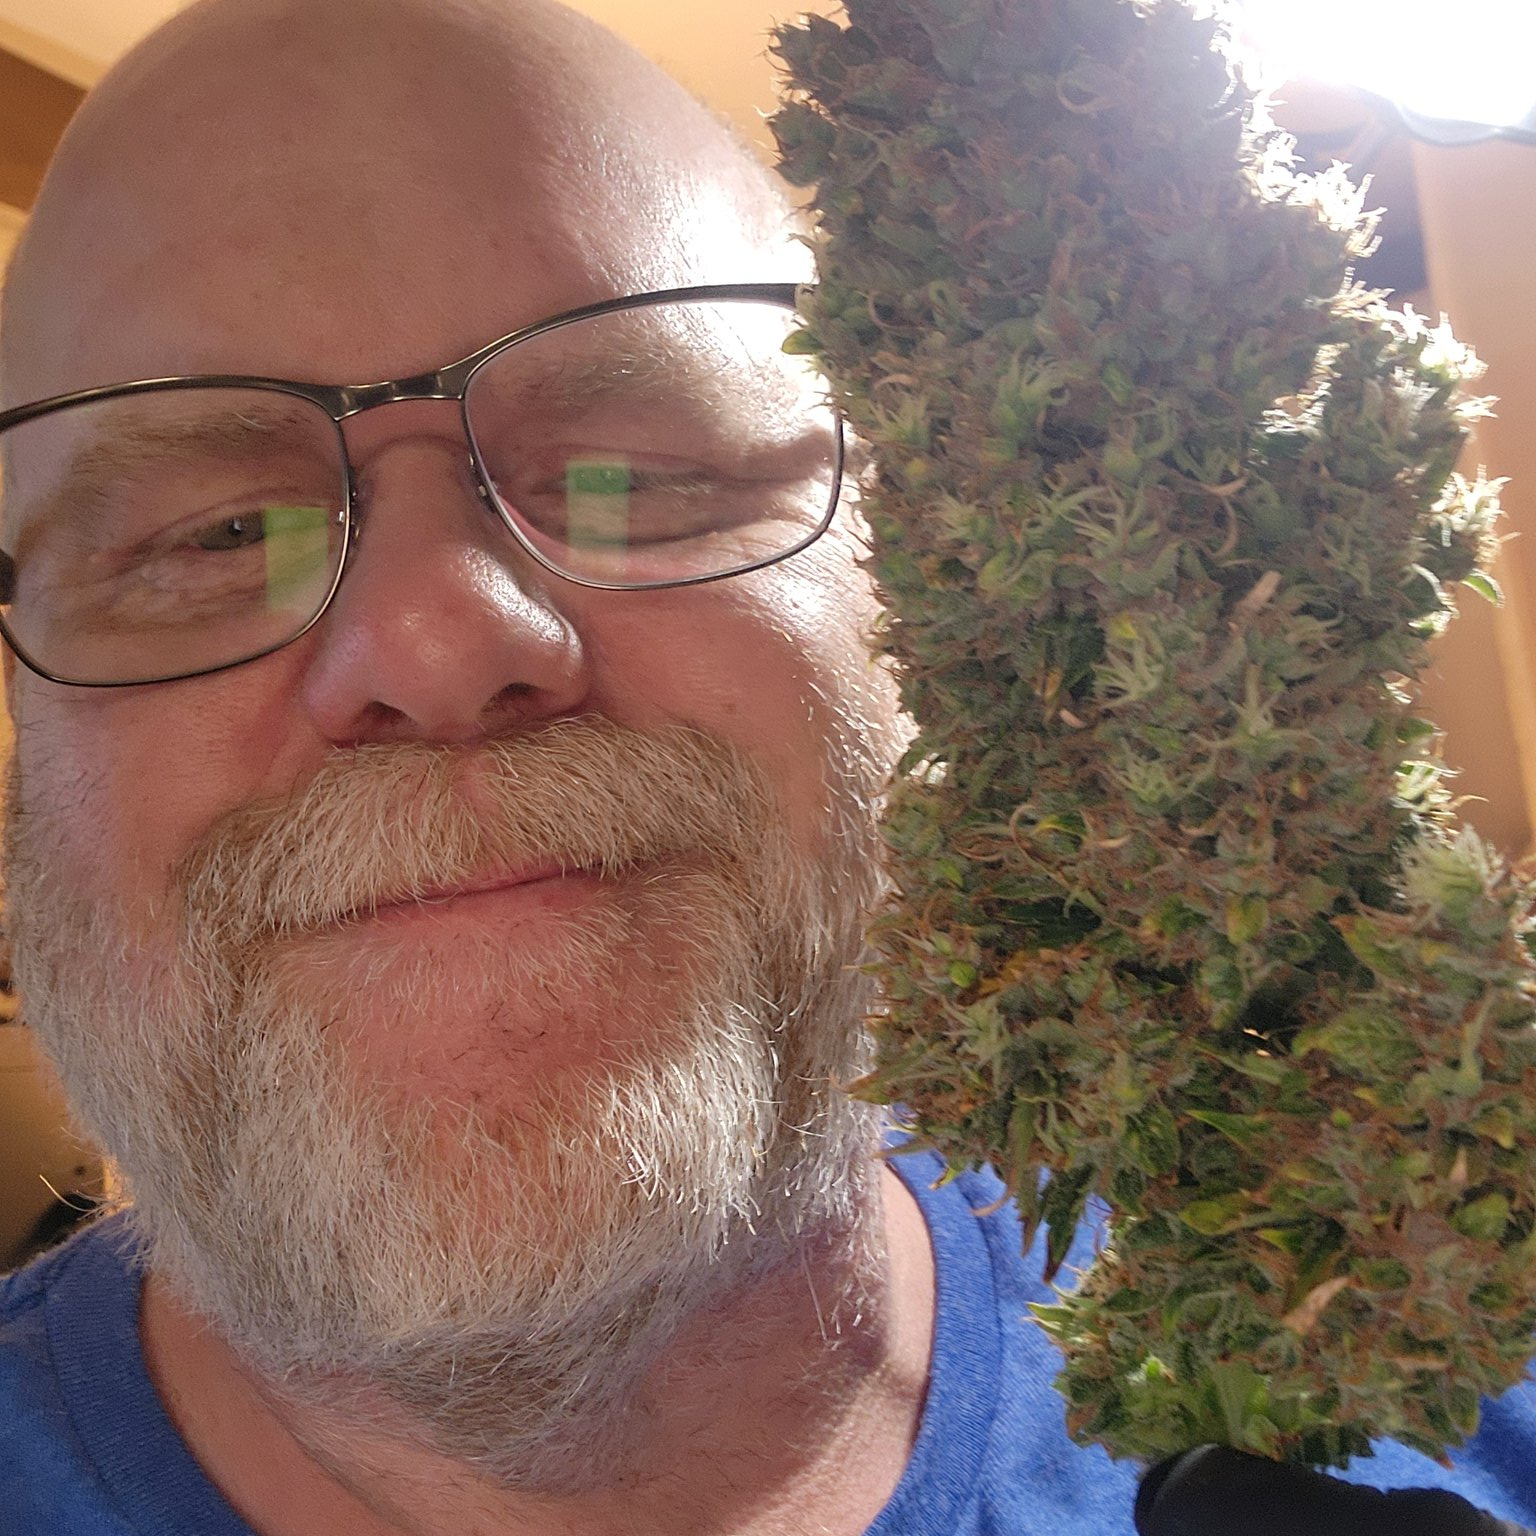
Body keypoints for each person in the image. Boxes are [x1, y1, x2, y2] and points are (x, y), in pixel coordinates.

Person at [0, 1, 1528, 1532]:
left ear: (908, 585)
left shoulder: (1427, 1331)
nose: (435, 642)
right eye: (218, 538)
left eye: (633, 477)